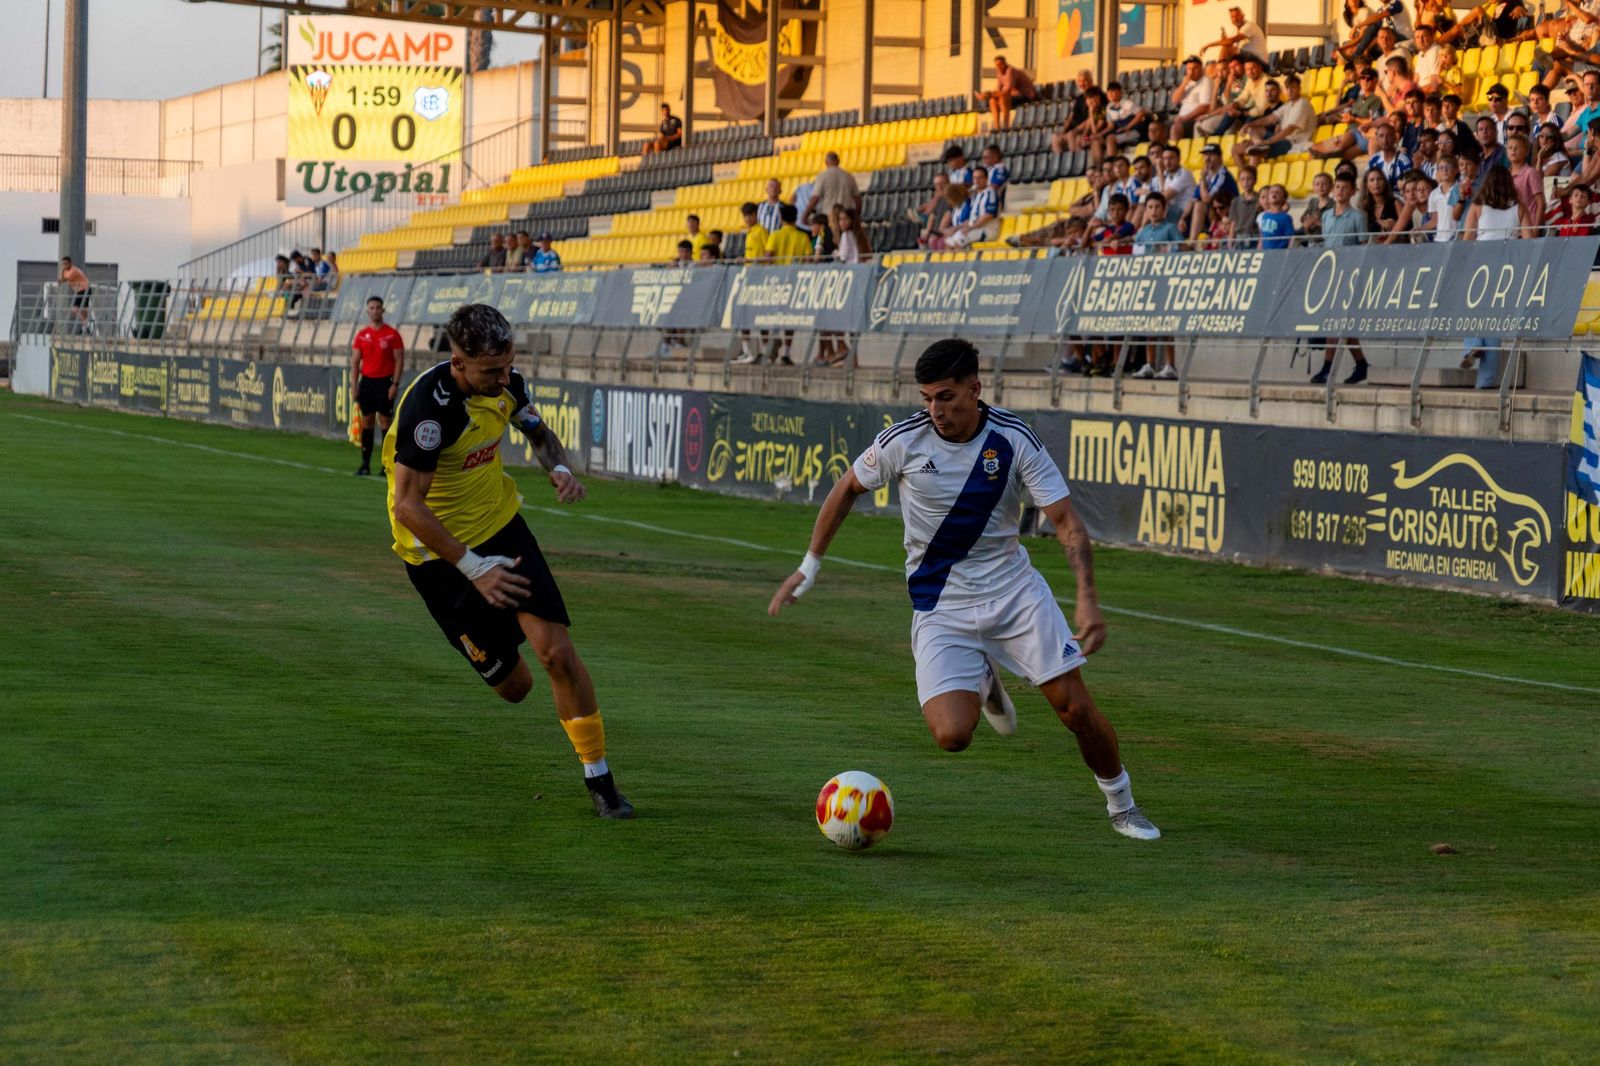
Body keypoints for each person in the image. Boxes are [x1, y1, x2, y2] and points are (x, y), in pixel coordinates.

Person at [767, 338, 1161, 842]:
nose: (935, 410)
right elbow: (846, 489)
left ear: (976, 389)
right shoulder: (904, 441)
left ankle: (1123, 806)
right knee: (952, 736)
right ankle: (985, 678)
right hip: (940, 606)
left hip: (1015, 596)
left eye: (946, 397)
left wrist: (1086, 597)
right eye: (928, 398)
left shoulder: (1014, 439)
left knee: (1076, 709)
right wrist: (809, 566)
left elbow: (1066, 522)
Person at [384, 304, 631, 819]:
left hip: (502, 529)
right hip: (437, 557)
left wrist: (560, 468)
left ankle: (600, 779)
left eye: (508, 366)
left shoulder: (507, 384)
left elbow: (539, 433)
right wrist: (475, 568)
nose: (504, 378)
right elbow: (408, 507)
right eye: (491, 370)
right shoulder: (430, 410)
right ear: (458, 362)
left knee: (556, 654)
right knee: (515, 688)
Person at [1458, 166, 1522, 388]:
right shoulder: (1519, 207)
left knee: (1471, 308)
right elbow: (1531, 239)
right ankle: (1485, 382)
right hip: (1508, 267)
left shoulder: (1477, 207)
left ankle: (1473, 344)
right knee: (1494, 323)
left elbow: (1467, 240)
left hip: (1481, 265)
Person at [1311, 174, 1372, 385]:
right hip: (1330, 273)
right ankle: (1360, 363)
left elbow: (1363, 246)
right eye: (1337, 187)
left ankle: (1329, 367)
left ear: (1352, 191)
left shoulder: (1357, 217)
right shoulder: (1327, 216)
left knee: (1337, 321)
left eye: (1344, 188)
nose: (1340, 191)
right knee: (1339, 322)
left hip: (1347, 274)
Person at [351, 295, 405, 478]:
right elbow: (355, 362)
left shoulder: (392, 334)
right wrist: (354, 385)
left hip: (385, 383)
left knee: (385, 423)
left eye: (378, 308)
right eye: (372, 308)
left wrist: (395, 384)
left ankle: (386, 465)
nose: (375, 311)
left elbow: (399, 361)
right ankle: (365, 464)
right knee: (367, 422)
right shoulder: (361, 335)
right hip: (367, 382)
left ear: (383, 310)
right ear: (367, 311)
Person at [765, 204, 815, 364]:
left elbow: (768, 257)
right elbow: (808, 260)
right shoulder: (803, 237)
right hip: (795, 282)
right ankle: (786, 351)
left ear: (781, 217)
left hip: (777, 281)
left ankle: (771, 343)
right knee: (789, 318)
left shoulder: (775, 235)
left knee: (770, 314)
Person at [1240, 72, 1316, 160]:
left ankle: (1260, 148)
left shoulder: (1303, 103)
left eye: (1293, 88)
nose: (1290, 91)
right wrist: (1249, 124)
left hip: (1294, 142)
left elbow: (1290, 129)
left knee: (1256, 153)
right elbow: (1269, 119)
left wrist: (1268, 141)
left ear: (1299, 89)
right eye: (1288, 88)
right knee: (1252, 130)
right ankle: (1260, 146)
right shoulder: (1287, 105)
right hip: (1284, 140)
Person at [976, 55, 1038, 130]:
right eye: (997, 65)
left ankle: (1006, 126)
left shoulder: (1011, 71)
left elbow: (1007, 90)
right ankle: (997, 127)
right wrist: (988, 94)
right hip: (1014, 96)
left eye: (1000, 64)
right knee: (992, 100)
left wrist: (988, 94)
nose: (999, 67)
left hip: (1026, 96)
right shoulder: (999, 73)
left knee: (1003, 98)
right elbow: (998, 89)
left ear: (1005, 63)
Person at [946, 168, 1000, 248]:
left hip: (987, 230)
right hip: (975, 229)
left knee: (957, 242)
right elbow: (972, 219)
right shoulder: (975, 196)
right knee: (948, 241)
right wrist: (955, 228)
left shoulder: (990, 193)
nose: (977, 181)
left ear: (986, 178)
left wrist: (970, 228)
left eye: (980, 177)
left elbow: (988, 215)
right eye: (974, 178)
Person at [1101, 81, 1149, 162]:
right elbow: (1110, 126)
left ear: (1120, 92)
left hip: (1134, 131)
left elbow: (1141, 113)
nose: (1110, 94)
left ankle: (1112, 163)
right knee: (1100, 140)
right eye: (1109, 92)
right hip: (1121, 132)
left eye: (1113, 91)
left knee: (1110, 138)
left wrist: (1127, 127)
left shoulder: (1127, 103)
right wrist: (1099, 134)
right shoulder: (1109, 107)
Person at [1170, 55, 1216, 137]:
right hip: (1181, 118)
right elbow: (1174, 100)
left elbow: (1205, 106)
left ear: (1201, 68)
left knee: (1175, 128)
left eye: (1195, 68)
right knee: (1158, 126)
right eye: (1189, 69)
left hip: (1194, 119)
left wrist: (1184, 118)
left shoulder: (1205, 81)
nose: (1191, 72)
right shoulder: (1188, 82)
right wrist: (1184, 83)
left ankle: (1173, 146)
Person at [810, 151, 862, 220]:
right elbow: (858, 200)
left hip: (828, 215)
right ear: (838, 161)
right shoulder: (849, 176)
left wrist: (805, 215)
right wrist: (857, 216)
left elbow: (815, 198)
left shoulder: (822, 176)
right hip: (845, 216)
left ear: (826, 162)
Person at [1204, 5, 1268, 60]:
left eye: (1237, 16)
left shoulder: (1249, 26)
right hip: (1246, 58)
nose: (1235, 19)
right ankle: (1221, 68)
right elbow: (1229, 43)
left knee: (1226, 48)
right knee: (1212, 63)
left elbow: (1230, 41)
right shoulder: (1234, 30)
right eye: (1233, 17)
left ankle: (1220, 68)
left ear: (1242, 16)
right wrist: (1224, 40)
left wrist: (1208, 45)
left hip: (1258, 60)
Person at [1256, 183, 1297, 248]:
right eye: (1271, 192)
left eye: (1278, 192)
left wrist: (1289, 251)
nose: (1274, 193)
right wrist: (1258, 250)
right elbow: (1262, 237)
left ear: (1284, 198)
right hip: (1266, 252)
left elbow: (1291, 238)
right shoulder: (1265, 216)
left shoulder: (1286, 218)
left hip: (1279, 252)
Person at [58, 255, 91, 334]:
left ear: (70, 263)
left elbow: (62, 280)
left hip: (83, 289)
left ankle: (86, 324)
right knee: (83, 310)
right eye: (63, 264)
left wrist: (62, 270)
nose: (64, 266)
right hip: (81, 290)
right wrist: (62, 273)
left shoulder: (73, 271)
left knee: (74, 309)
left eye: (66, 263)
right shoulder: (67, 271)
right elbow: (60, 280)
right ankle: (86, 328)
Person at [1301, 171, 1336, 238]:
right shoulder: (1312, 201)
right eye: (1317, 184)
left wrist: (1317, 222)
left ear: (1331, 187)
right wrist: (1308, 221)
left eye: (1324, 184)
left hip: (1327, 239)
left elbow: (1334, 225)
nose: (1320, 186)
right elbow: (1303, 218)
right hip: (1312, 238)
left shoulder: (1334, 205)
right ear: (1313, 187)